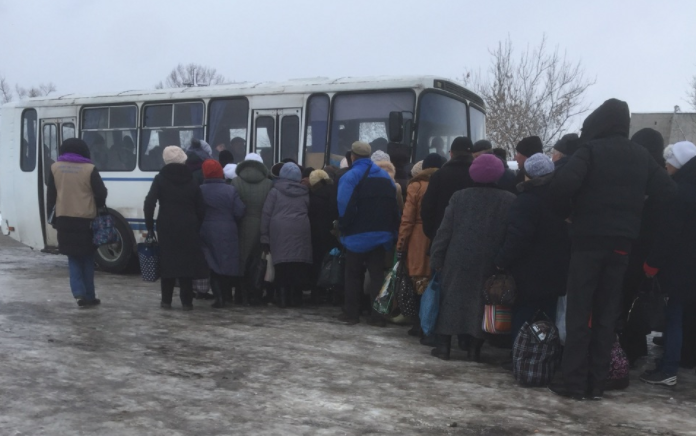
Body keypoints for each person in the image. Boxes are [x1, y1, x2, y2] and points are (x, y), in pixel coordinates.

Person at [549, 98, 676, 400]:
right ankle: (596, 383)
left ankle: (574, 382)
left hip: (587, 242)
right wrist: (637, 213)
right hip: (622, 245)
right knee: (608, 315)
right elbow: (669, 194)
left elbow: (561, 186)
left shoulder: (589, 151)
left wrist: (568, 214)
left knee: (580, 314)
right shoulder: (642, 155)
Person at [429, 154, 516, 361]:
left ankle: (443, 347)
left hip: (457, 256)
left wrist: (436, 257)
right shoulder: (509, 200)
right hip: (490, 259)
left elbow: (445, 231)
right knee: (481, 302)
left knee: (451, 298)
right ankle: (474, 349)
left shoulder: (460, 197)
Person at [494, 153, 571, 342]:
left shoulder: (526, 200)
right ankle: (545, 357)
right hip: (557, 268)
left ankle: (522, 356)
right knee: (547, 316)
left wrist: (501, 261)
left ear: (527, 174)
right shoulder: (563, 198)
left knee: (523, 316)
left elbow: (518, 237)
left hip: (529, 271)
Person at [640, 141, 696, 387]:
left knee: (674, 315)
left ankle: (669, 368)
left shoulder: (679, 193)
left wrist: (652, 264)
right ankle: (678, 361)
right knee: (684, 315)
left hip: (680, 267)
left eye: (670, 163)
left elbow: (668, 235)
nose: (666, 166)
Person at [337, 141, 400, 326]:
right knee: (377, 275)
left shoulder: (350, 176)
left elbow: (343, 205)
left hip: (357, 235)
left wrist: (344, 227)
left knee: (353, 275)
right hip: (381, 235)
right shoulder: (385, 177)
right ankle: (378, 316)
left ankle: (352, 314)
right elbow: (393, 206)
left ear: (353, 156)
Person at [620, 128, 666, 365]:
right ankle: (636, 345)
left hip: (635, 248)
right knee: (640, 299)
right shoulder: (662, 175)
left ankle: (627, 347)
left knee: (627, 299)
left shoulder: (643, 175)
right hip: (649, 251)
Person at [144, 146, 209, 311]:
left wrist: (150, 227)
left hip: (166, 225)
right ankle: (187, 302)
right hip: (189, 225)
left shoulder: (160, 179)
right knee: (186, 265)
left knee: (168, 263)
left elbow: (149, 203)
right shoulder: (192, 179)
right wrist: (196, 224)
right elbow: (201, 208)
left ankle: (166, 301)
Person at [46, 138, 107, 307]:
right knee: (87, 258)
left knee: (73, 258)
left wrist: (54, 218)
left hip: (64, 219)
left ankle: (78, 293)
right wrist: (96, 205)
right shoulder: (89, 169)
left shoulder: (55, 168)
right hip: (86, 220)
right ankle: (90, 295)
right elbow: (101, 194)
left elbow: (51, 196)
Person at [397, 153, 443, 336]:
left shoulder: (416, 185)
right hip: (438, 235)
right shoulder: (443, 183)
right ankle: (432, 322)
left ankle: (418, 323)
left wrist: (401, 243)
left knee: (418, 281)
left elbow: (407, 219)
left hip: (417, 237)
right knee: (433, 281)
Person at [260, 163, 313, 307]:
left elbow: (266, 214)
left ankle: (282, 299)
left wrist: (264, 237)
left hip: (279, 230)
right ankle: (296, 298)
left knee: (282, 265)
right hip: (301, 228)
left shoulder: (275, 191)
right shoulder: (305, 192)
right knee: (297, 264)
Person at [199, 159, 246, 308]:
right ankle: (227, 296)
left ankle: (219, 298)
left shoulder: (200, 190)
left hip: (207, 229)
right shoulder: (230, 190)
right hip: (228, 229)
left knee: (213, 264)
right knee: (227, 262)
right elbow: (240, 211)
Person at [231, 153, 273, 304]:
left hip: (242, 224)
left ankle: (240, 295)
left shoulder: (236, 182)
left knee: (242, 260)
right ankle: (256, 293)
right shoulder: (268, 183)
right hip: (262, 224)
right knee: (258, 261)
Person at [421, 136, 475, 240]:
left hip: (441, 236)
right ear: (472, 154)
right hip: (472, 238)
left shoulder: (439, 175)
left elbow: (427, 208)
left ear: (451, 153)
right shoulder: (478, 176)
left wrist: (434, 234)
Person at [309, 169, 338, 300]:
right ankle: (332, 291)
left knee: (317, 262)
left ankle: (316, 291)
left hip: (316, 234)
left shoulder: (313, 198)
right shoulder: (335, 192)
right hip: (333, 233)